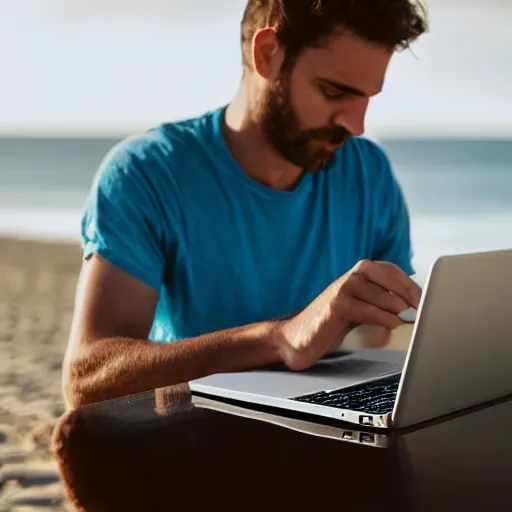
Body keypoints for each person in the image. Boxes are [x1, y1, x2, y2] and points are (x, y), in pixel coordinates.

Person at [63, 0, 428, 408]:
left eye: (367, 99)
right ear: (268, 54)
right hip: (199, 435)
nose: (356, 125)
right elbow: (86, 377)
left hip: (333, 433)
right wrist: (279, 339)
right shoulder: (148, 173)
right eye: (334, 92)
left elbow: (376, 338)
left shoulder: (369, 174)